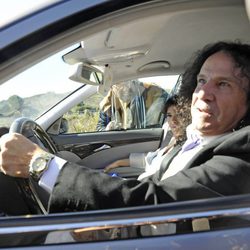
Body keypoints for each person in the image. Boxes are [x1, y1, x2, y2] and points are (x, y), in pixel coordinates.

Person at [1, 41, 250, 215]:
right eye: (202, 81)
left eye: (224, 84)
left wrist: (40, 164)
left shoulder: (239, 155)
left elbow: (155, 201)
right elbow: (154, 182)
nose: (204, 93)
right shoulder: (191, 141)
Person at [104, 95, 191, 180]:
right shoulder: (173, 140)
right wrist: (118, 163)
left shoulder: (187, 148)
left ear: (189, 117)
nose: (173, 121)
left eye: (179, 115)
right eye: (169, 115)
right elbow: (149, 160)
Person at [96, 80, 168, 131]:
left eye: (126, 81)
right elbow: (100, 127)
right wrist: (107, 129)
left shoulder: (153, 93)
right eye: (118, 83)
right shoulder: (109, 102)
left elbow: (168, 120)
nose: (124, 86)